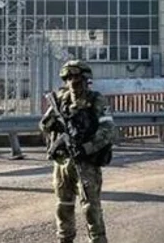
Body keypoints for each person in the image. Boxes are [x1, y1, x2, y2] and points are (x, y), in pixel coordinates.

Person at [39, 60, 115, 243]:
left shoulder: (96, 100)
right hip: (63, 162)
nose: (73, 82)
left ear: (85, 79)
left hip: (86, 162)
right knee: (63, 205)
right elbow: (43, 124)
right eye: (70, 78)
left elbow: (108, 130)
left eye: (78, 78)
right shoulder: (60, 100)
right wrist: (53, 123)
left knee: (91, 207)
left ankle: (98, 239)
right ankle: (65, 239)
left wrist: (86, 148)